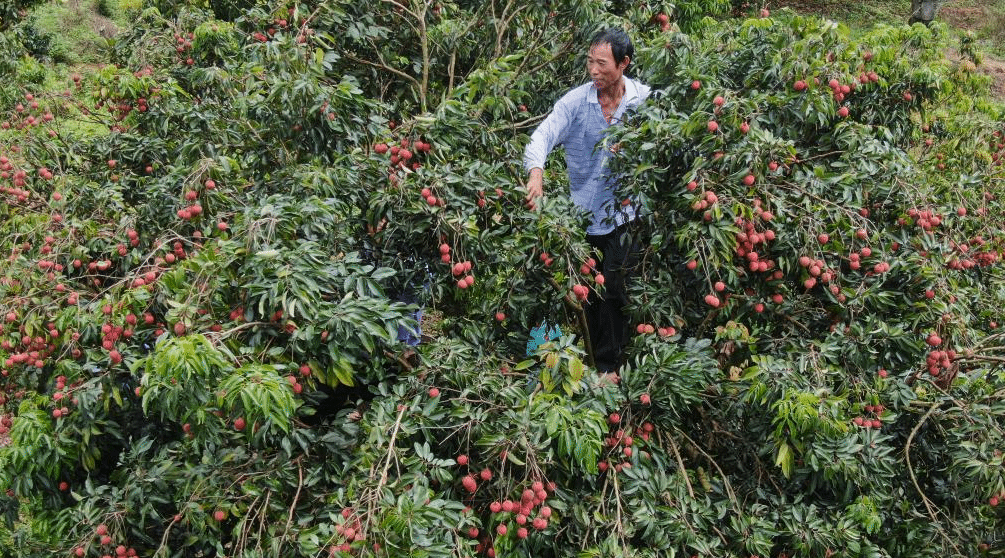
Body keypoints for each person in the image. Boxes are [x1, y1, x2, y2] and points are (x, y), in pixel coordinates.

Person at [523, 27, 651, 373]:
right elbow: (542, 136)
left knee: (615, 287)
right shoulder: (575, 103)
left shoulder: (644, 102)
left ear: (624, 63)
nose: (594, 71)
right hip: (584, 215)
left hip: (629, 213)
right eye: (589, 62)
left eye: (602, 63)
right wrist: (536, 172)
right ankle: (597, 361)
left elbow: (666, 144)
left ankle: (612, 366)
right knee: (589, 294)